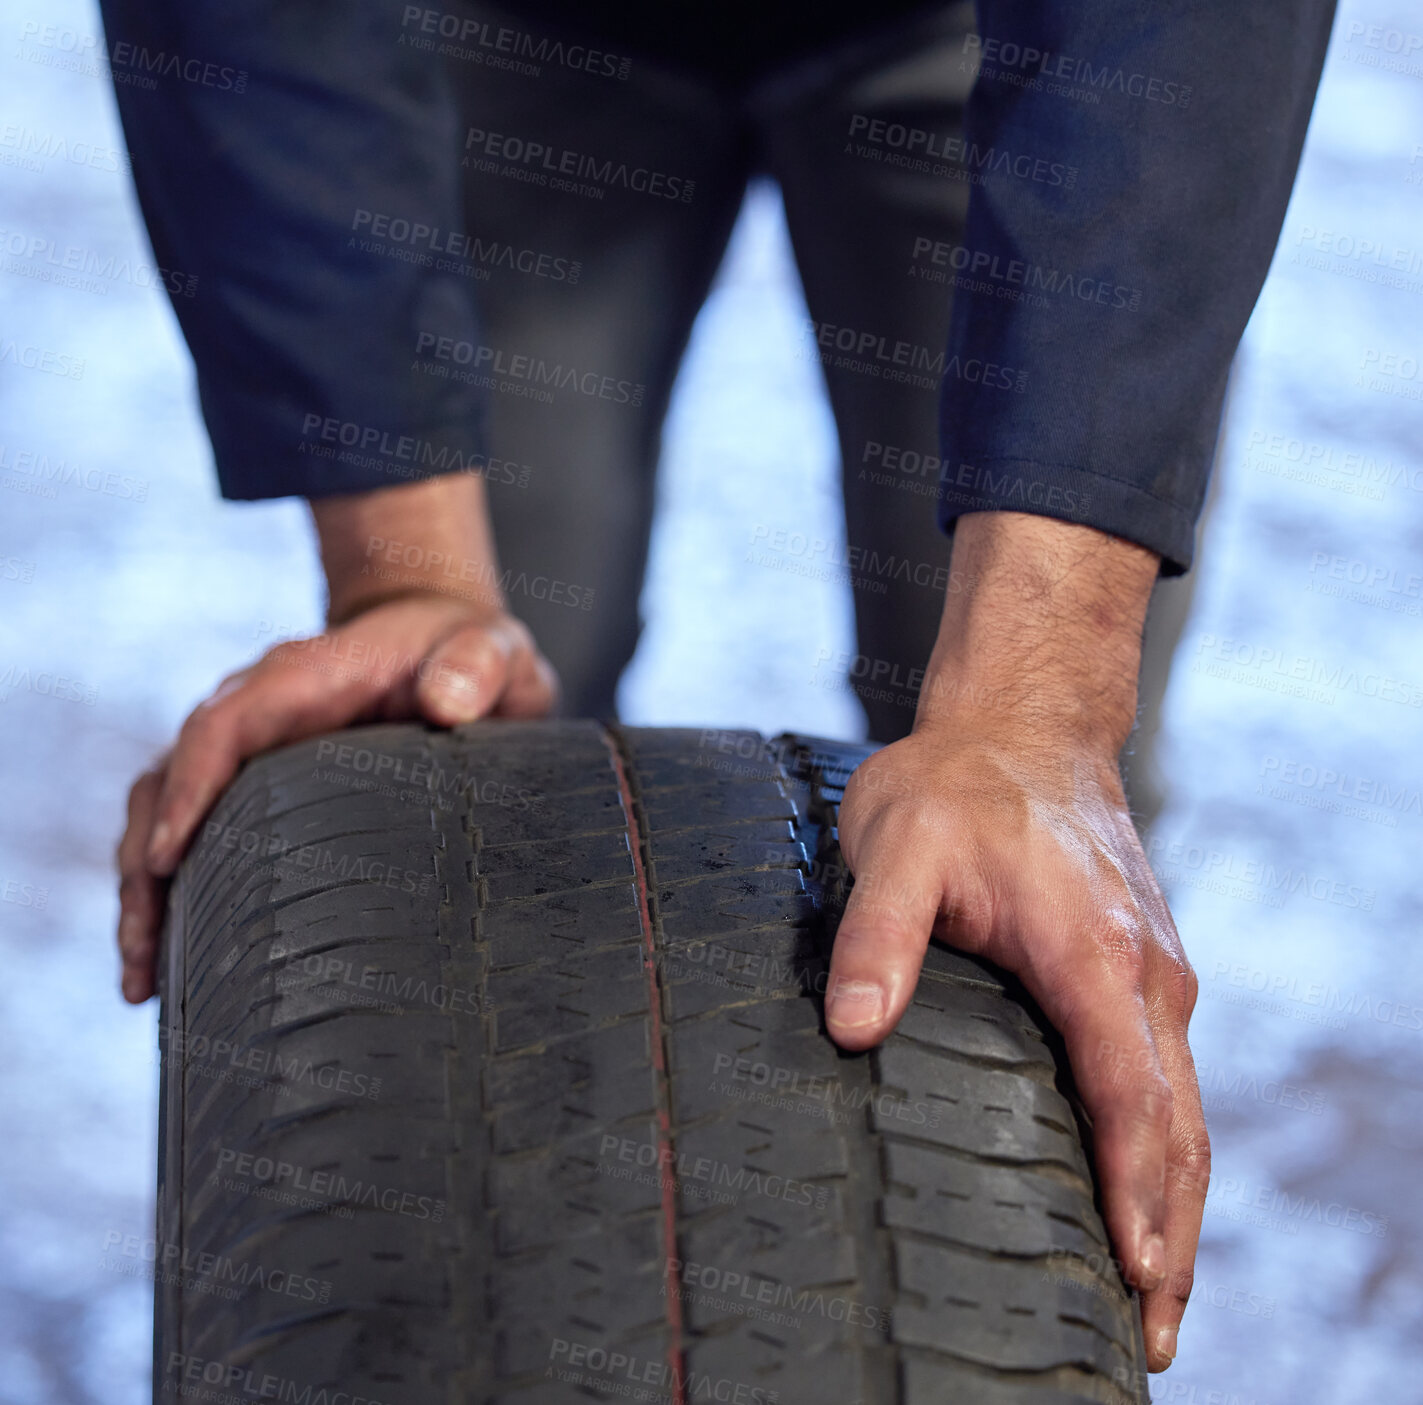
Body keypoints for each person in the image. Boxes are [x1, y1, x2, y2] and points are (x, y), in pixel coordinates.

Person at [103, 0, 1336, 1373]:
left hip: (989, 34)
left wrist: (1036, 711)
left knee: (1005, 856)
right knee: (446, 771)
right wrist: (405, 577)